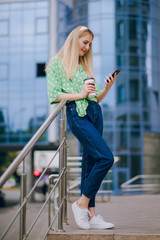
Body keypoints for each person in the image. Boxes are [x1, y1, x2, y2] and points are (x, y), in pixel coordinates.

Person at [46, 26, 117, 230]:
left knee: (91, 162)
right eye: (84, 42)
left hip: (95, 113)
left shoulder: (84, 65)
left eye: (90, 44)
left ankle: (92, 215)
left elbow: (94, 97)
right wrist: (81, 93)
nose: (87, 47)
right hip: (78, 114)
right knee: (106, 158)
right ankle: (81, 204)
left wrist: (107, 88)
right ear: (74, 39)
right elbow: (54, 96)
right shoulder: (57, 64)